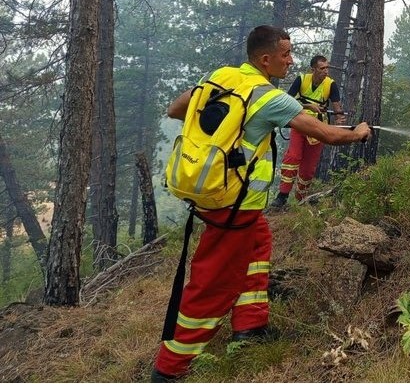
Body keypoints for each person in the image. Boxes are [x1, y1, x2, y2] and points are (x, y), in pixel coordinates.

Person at [151, 25, 371, 383]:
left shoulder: (221, 77)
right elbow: (328, 134)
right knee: (212, 285)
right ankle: (169, 368)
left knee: (259, 242)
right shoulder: (270, 98)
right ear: (266, 59)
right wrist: (359, 132)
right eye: (285, 54)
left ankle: (251, 327)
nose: (291, 60)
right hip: (232, 207)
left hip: (226, 200)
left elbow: (176, 109)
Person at [272, 55, 345, 207]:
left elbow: (337, 107)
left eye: (327, 68)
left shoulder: (331, 84)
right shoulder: (301, 79)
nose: (326, 71)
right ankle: (282, 196)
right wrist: (307, 107)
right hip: (300, 124)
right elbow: (287, 101)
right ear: (313, 69)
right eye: (322, 68)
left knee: (308, 167)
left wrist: (339, 121)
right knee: (293, 156)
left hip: (318, 129)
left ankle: (300, 201)